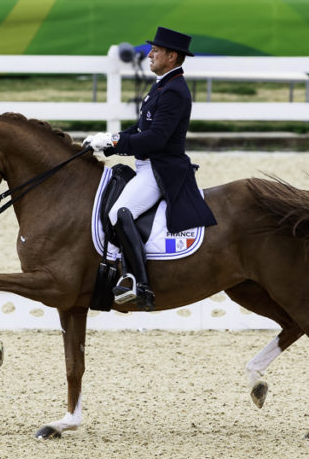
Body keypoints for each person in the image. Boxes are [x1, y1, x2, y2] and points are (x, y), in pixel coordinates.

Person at [83, 26, 217, 311]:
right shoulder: (161, 86)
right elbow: (140, 128)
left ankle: (138, 283)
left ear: (172, 56)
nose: (150, 54)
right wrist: (105, 143)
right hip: (146, 165)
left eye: (156, 51)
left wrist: (116, 141)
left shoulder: (175, 91)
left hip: (160, 170)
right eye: (151, 50)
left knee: (121, 213)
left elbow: (156, 138)